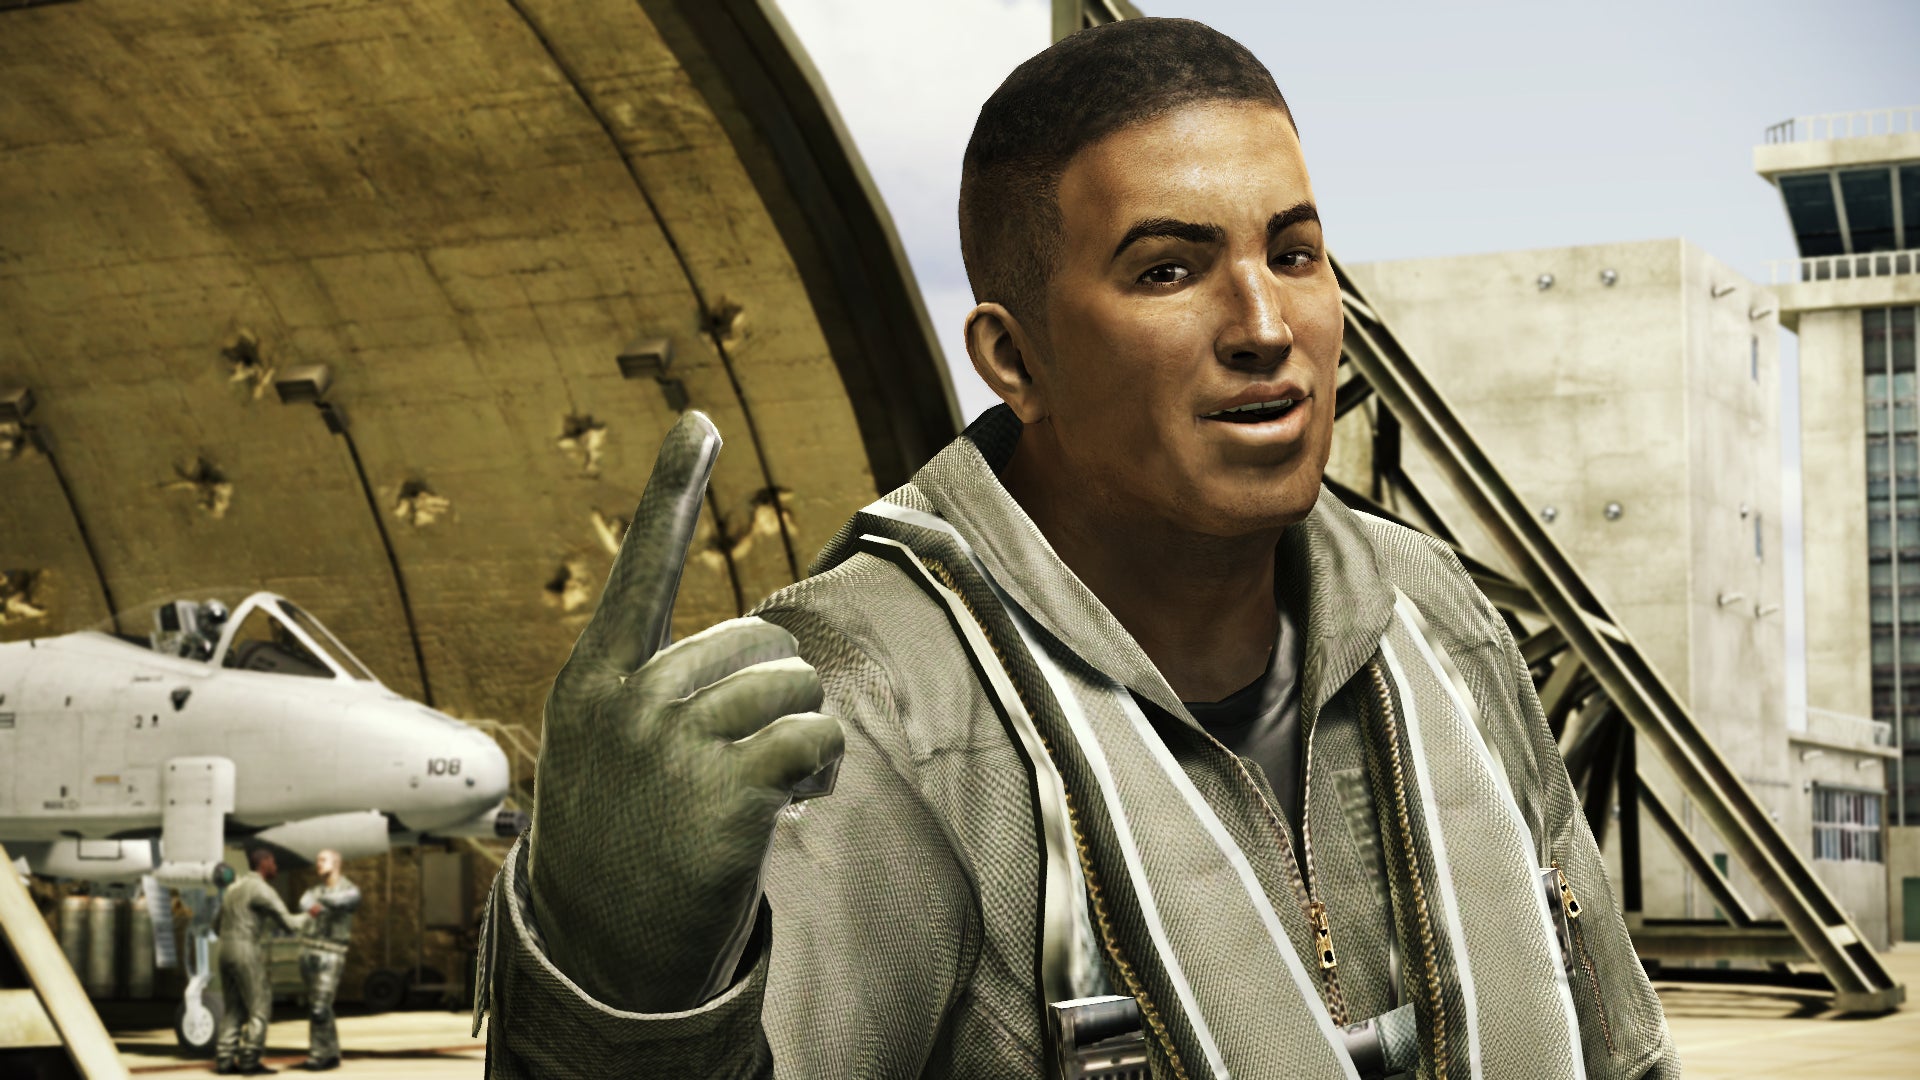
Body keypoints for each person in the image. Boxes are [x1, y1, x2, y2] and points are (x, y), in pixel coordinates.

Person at [475, 18, 1678, 1079]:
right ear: (1015, 359)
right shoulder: (871, 708)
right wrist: (622, 999)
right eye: (1169, 270)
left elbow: (1622, 1050)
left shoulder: (1437, 621)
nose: (1266, 327)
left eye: (1293, 254)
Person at [216, 848, 302, 1076]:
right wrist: (311, 915)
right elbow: (290, 924)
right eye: (274, 862)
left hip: (225, 950)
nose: (276, 867)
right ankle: (249, 1060)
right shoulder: (261, 889)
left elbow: (216, 925)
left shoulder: (233, 888)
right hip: (245, 948)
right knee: (260, 1006)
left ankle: (224, 1059)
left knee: (233, 1008)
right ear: (264, 863)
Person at [296, 849, 361, 1072]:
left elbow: (343, 901)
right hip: (309, 950)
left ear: (336, 863)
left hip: (332, 953)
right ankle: (330, 1053)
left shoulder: (349, 890)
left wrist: (320, 903)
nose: (318, 864)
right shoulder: (313, 891)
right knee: (318, 1006)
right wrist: (321, 903)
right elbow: (304, 903)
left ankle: (318, 1055)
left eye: (323, 860)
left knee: (320, 1007)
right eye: (317, 860)